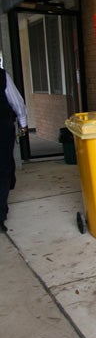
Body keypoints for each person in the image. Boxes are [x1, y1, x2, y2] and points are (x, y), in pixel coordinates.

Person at [0, 67, 27, 232]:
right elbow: (16, 102)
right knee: (3, 170)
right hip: (2, 128)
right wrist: (23, 125)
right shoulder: (2, 76)